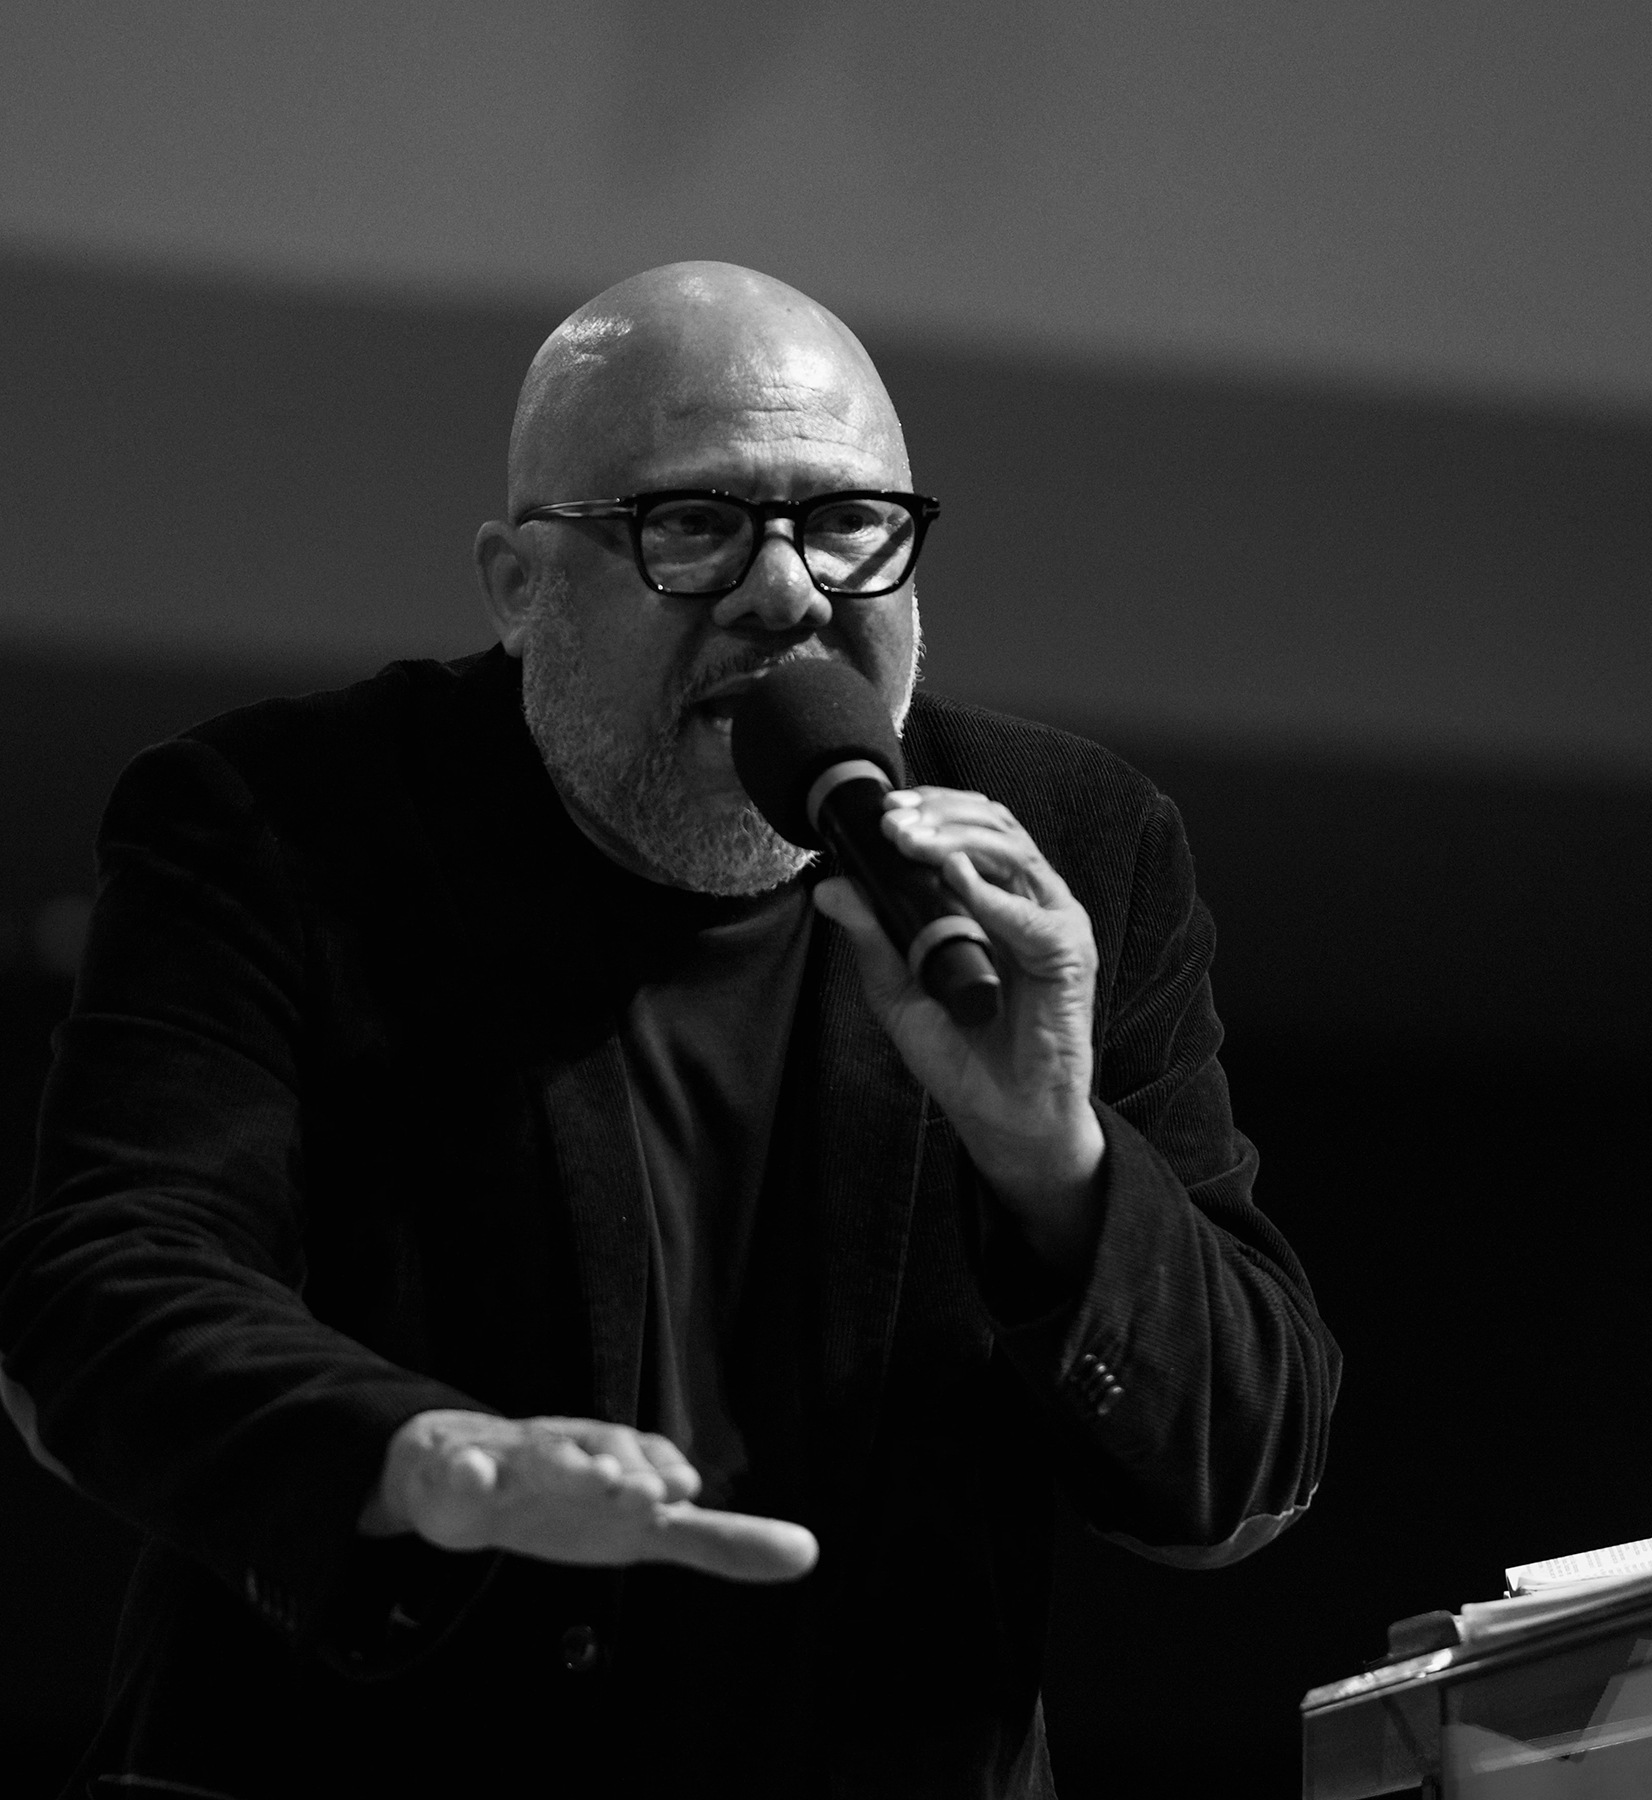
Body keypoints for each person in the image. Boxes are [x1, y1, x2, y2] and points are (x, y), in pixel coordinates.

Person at [0, 262, 1340, 1798]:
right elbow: (100, 1292)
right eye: (693, 526)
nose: (789, 594)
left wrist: (1054, 1157)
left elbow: (1240, 1473)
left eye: (848, 525)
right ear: (519, 586)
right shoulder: (285, 829)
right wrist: (429, 1462)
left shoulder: (1069, 854)